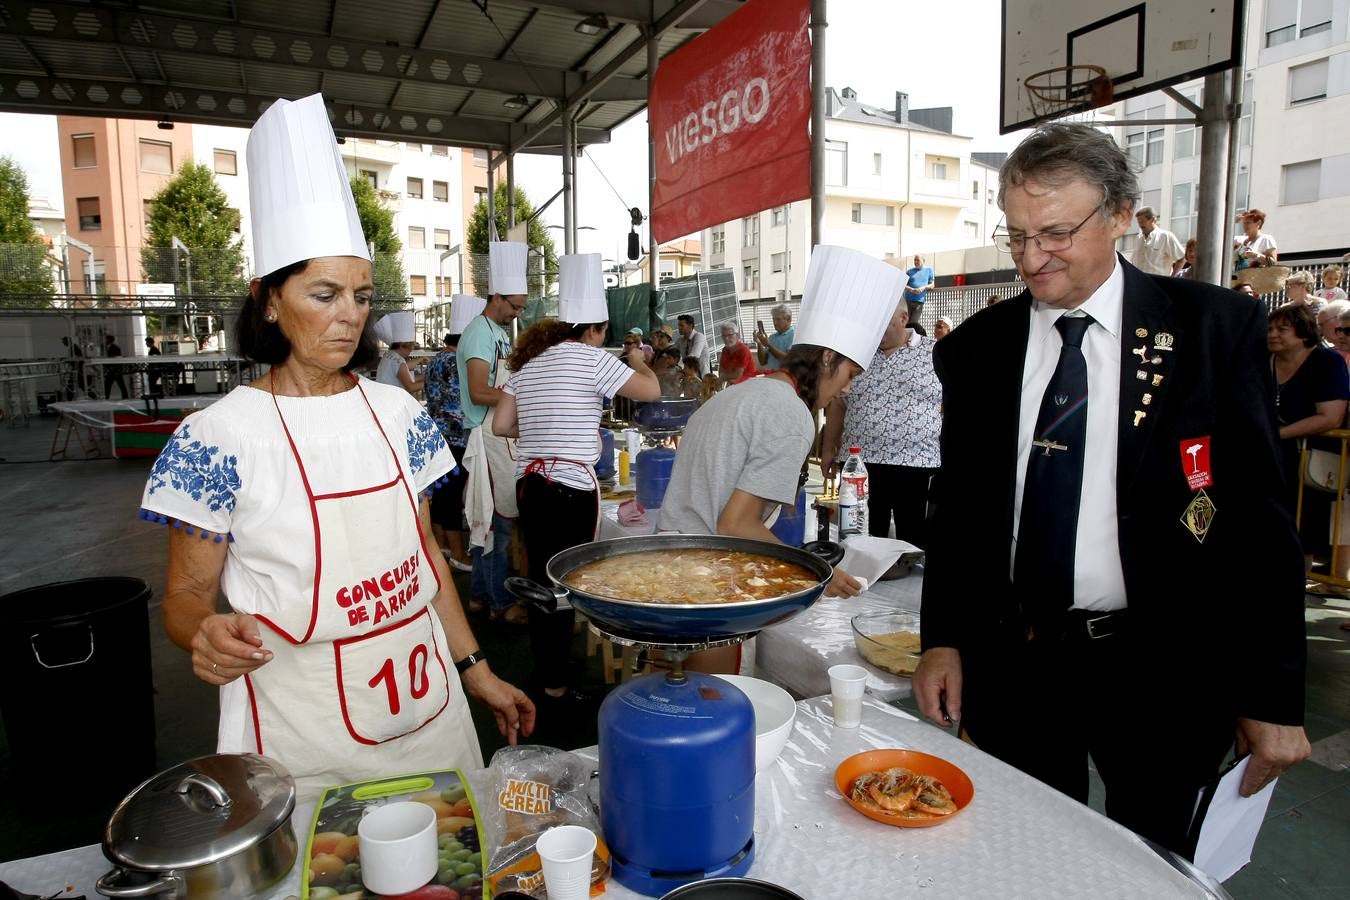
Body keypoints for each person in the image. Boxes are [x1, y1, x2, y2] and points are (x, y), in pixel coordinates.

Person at [914, 123, 1309, 856]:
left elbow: (1259, 521)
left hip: (1163, 666)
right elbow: (962, 511)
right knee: (1022, 856)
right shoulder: (976, 349)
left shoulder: (1212, 330)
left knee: (1154, 859)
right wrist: (943, 639)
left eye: (1056, 232)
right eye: (1017, 234)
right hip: (1020, 660)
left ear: (1121, 214)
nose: (1032, 258)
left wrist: (1271, 694)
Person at [139, 94, 533, 797]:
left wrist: (477, 670)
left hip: (428, 709)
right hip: (303, 729)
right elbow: (186, 594)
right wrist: (202, 630)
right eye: (324, 294)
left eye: (360, 295)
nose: (351, 315)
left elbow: (423, 560)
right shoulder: (217, 437)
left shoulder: (397, 413)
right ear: (268, 300)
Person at [663, 245, 903, 671]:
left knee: (674, 705)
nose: (847, 389)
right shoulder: (792, 413)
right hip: (711, 585)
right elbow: (736, 523)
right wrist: (816, 574)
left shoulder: (745, 392)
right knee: (715, 711)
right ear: (827, 357)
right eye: (849, 375)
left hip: (670, 572)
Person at [494, 253, 660, 711]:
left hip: (530, 483)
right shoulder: (591, 360)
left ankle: (549, 680)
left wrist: (544, 427)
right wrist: (637, 361)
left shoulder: (530, 364)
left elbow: (501, 427)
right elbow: (651, 392)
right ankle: (558, 686)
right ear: (596, 330)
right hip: (570, 487)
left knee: (541, 582)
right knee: (568, 584)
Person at [821, 303, 941, 547]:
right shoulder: (857, 354)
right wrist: (827, 450)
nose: (874, 332)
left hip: (915, 463)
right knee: (858, 539)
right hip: (859, 464)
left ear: (903, 317)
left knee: (912, 541)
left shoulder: (936, 353)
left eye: (881, 324)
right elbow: (838, 404)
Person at [458, 242, 528, 624]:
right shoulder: (479, 334)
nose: (517, 313)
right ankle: (502, 605)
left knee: (491, 527)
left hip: (496, 435)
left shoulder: (496, 332)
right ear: (496, 296)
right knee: (495, 528)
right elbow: (478, 392)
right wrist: (519, 395)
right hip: (485, 438)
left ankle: (480, 597)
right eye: (514, 306)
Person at [1268, 303, 1349, 570]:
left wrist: (1277, 434)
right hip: (1269, 459)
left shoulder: (1327, 361)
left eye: (1282, 329)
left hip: (1309, 463)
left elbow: (1331, 417)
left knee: (1302, 531)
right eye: (1270, 328)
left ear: (1303, 332)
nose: (1273, 334)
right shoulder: (1261, 361)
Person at [426, 299, 485, 575]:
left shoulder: (437, 359)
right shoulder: (456, 363)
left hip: (437, 437)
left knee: (440, 494)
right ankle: (460, 554)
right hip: (456, 439)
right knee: (450, 497)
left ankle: (441, 548)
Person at [374, 312, 425, 394]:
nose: (411, 350)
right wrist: (433, 382)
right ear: (402, 345)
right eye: (410, 346)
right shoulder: (398, 361)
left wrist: (426, 377)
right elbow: (411, 387)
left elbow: (406, 374)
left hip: (383, 397)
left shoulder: (389, 355)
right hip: (392, 400)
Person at [1130, 206, 1184, 276]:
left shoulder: (1165, 236)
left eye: (1142, 221)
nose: (1140, 224)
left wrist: (1172, 278)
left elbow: (1181, 258)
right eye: (1138, 221)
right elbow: (1134, 262)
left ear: (1153, 219)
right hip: (1139, 283)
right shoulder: (1138, 238)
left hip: (1158, 283)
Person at [1233, 209, 1278, 274]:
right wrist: (1232, 220)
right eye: (1244, 223)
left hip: (1255, 281)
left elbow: (1273, 263)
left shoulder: (1266, 239)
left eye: (1248, 222)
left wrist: (1257, 255)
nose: (1245, 226)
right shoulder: (1239, 239)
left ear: (1258, 223)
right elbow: (1219, 237)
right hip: (1235, 280)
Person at [753, 304, 795, 370]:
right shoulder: (772, 337)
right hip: (771, 376)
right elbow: (763, 362)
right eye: (773, 319)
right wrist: (759, 343)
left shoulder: (794, 335)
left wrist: (768, 345)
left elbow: (788, 361)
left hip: (786, 378)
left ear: (788, 319)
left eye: (778, 319)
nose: (775, 323)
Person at [903, 254, 935, 323]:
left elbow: (932, 285)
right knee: (906, 323)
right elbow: (903, 285)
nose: (916, 262)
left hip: (919, 302)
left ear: (923, 261)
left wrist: (923, 288)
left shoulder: (929, 270)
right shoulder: (909, 272)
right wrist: (912, 289)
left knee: (913, 323)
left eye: (918, 260)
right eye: (915, 260)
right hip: (907, 301)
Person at [103, 333, 129, 400]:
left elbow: (115, 358)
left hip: (114, 370)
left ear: (108, 340)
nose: (105, 341)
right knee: (119, 384)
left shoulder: (114, 348)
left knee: (109, 385)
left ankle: (107, 398)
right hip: (114, 370)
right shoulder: (108, 347)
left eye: (106, 339)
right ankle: (125, 397)